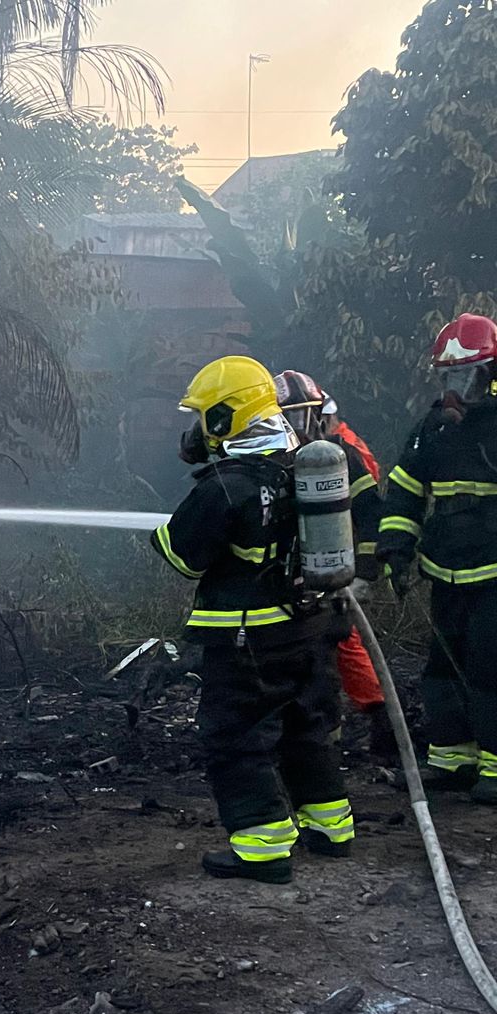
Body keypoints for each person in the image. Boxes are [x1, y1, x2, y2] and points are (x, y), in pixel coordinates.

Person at [153, 356, 354, 884]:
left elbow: (183, 556)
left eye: (204, 417)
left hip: (249, 639)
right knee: (308, 729)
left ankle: (263, 847)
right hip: (310, 629)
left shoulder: (228, 484)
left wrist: (161, 533)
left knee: (238, 735)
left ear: (224, 418)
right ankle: (331, 829)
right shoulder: (302, 468)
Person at [377, 313, 497, 802]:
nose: (457, 389)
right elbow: (404, 492)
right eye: (450, 377)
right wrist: (395, 550)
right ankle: (451, 760)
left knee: (491, 667)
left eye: (467, 376)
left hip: (494, 573)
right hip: (445, 570)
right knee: (442, 669)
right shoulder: (431, 430)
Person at [271, 370, 393, 757]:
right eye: (285, 418)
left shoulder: (337, 457)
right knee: (309, 651)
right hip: (295, 576)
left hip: (337, 569)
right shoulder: (276, 460)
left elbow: (372, 514)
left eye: (301, 416)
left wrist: (366, 572)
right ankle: (320, 731)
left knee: (334, 645)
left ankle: (367, 723)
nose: (295, 428)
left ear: (318, 415)